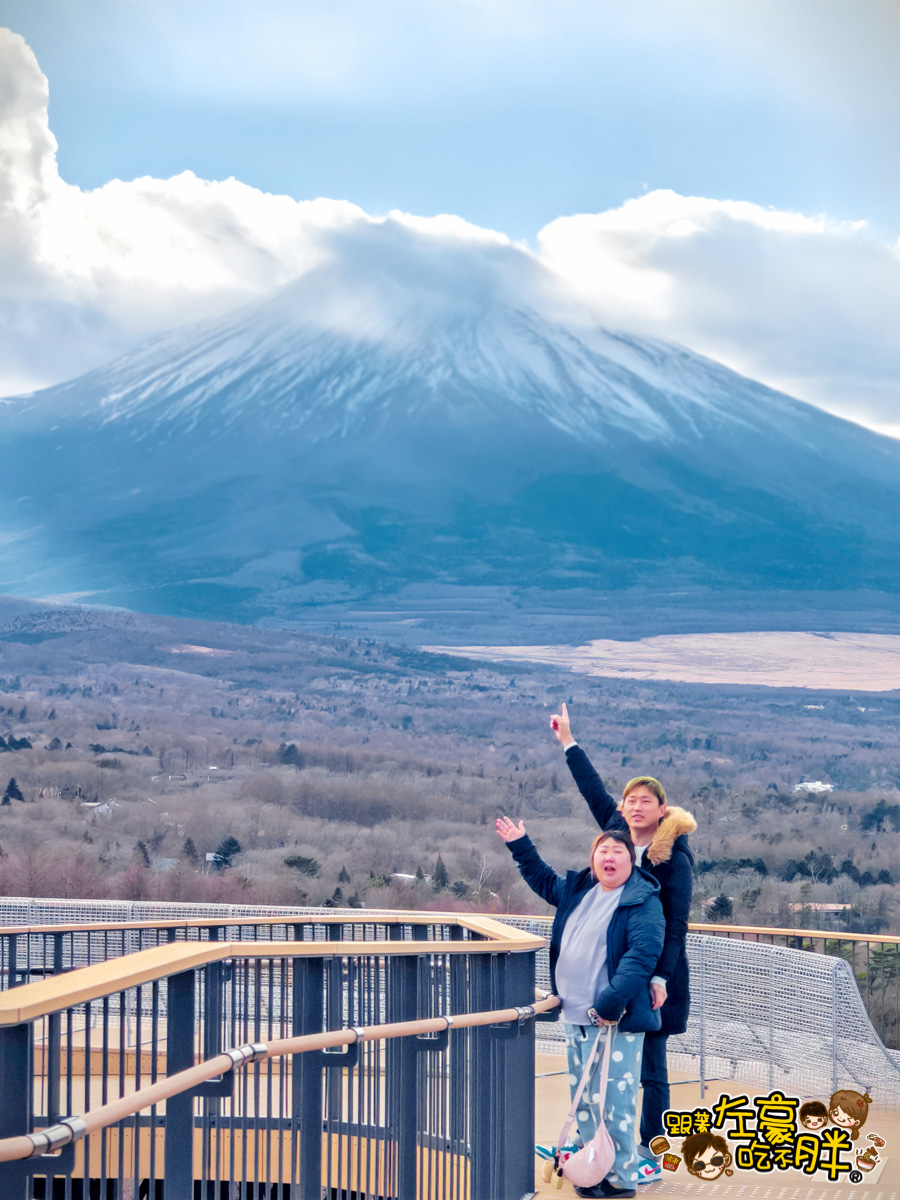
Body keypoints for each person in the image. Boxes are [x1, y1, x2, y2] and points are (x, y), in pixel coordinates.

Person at [550, 702, 696, 1171]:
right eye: (629, 801)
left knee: (650, 1068)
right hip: (613, 975)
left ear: (661, 810)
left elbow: (675, 926)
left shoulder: (674, 857)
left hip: (653, 976)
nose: (634, 808)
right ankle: (605, 1149)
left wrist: (660, 978)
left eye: (644, 802)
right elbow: (593, 793)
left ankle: (652, 1151)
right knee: (608, 1071)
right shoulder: (616, 839)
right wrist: (569, 743)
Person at [496, 817, 664, 1199]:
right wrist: (520, 844)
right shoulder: (580, 890)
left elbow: (641, 956)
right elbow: (542, 879)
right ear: (592, 859)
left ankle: (622, 1180)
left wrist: (610, 1003)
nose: (609, 857)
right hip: (576, 1015)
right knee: (586, 1101)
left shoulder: (642, 900)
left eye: (617, 852)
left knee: (615, 1102)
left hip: (614, 1020)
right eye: (602, 850)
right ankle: (595, 1169)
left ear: (631, 861)